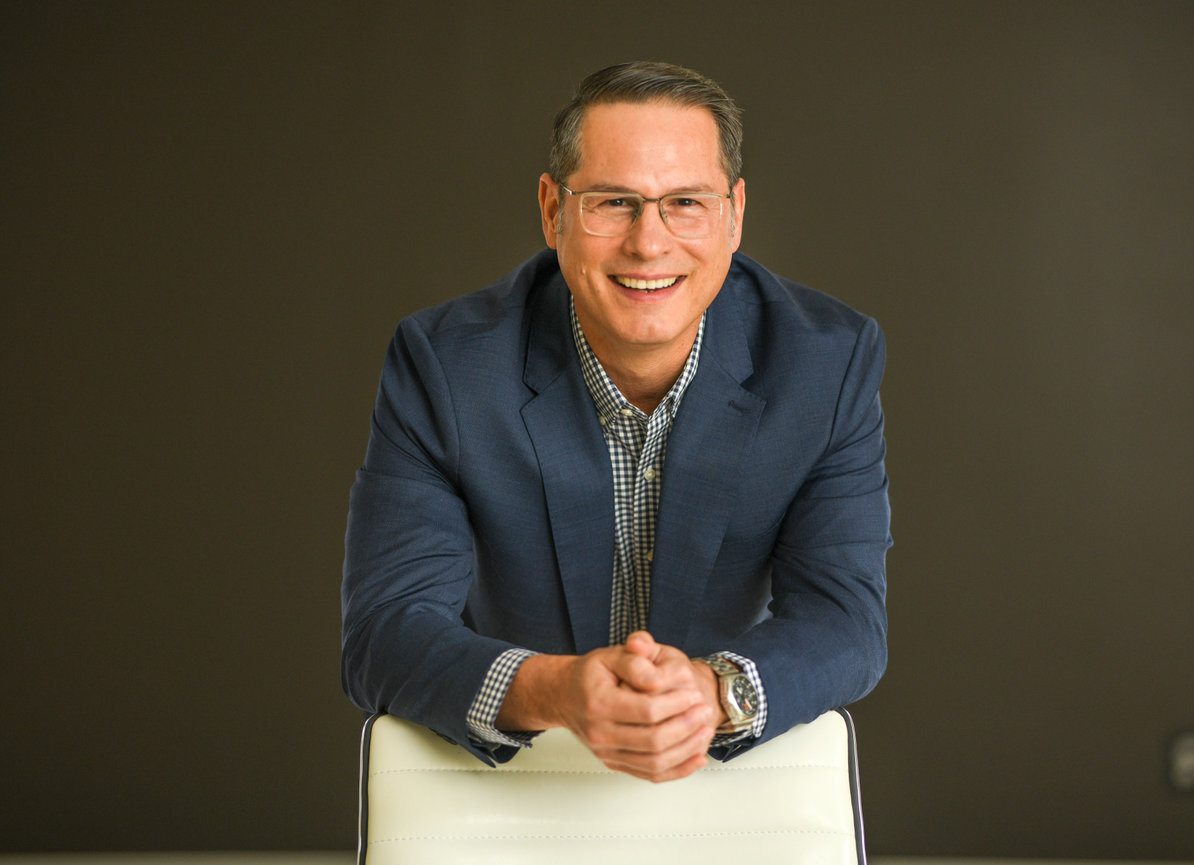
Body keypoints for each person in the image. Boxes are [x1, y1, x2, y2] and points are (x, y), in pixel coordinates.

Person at [341, 61, 890, 784]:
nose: (649, 242)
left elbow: (846, 621)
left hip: (721, 774)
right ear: (552, 211)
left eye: (685, 202)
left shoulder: (826, 362)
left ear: (735, 214)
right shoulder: (444, 366)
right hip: (517, 779)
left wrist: (709, 692)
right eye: (613, 202)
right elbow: (385, 631)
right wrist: (558, 690)